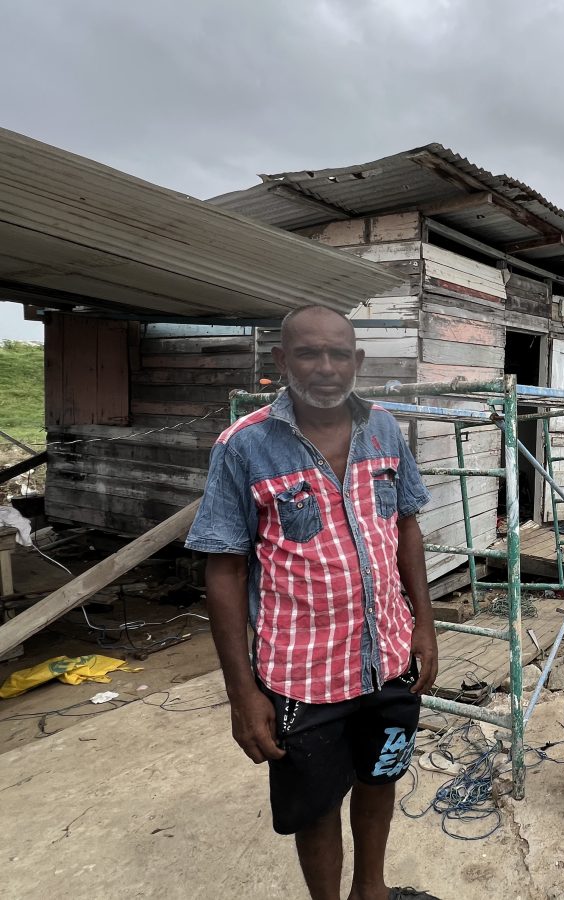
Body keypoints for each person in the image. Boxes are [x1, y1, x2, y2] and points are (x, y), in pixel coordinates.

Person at [185, 305, 439, 900]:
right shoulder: (244, 446)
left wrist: (423, 624)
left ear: (357, 362)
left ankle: (370, 891)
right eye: (307, 353)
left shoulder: (384, 429)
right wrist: (242, 692)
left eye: (337, 355)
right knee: (316, 807)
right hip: (303, 676)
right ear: (281, 361)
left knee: (380, 779)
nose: (324, 368)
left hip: (388, 659)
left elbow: (405, 528)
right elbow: (223, 568)